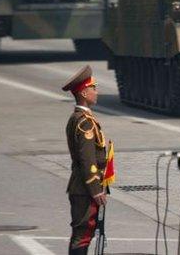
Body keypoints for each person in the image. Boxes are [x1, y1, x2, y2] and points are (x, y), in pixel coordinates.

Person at [62, 65, 111, 255]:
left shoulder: (79, 118)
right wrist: (95, 189)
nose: (97, 92)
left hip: (81, 186)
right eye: (94, 88)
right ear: (84, 92)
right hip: (84, 188)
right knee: (82, 234)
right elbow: (87, 158)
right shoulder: (85, 122)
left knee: (84, 232)